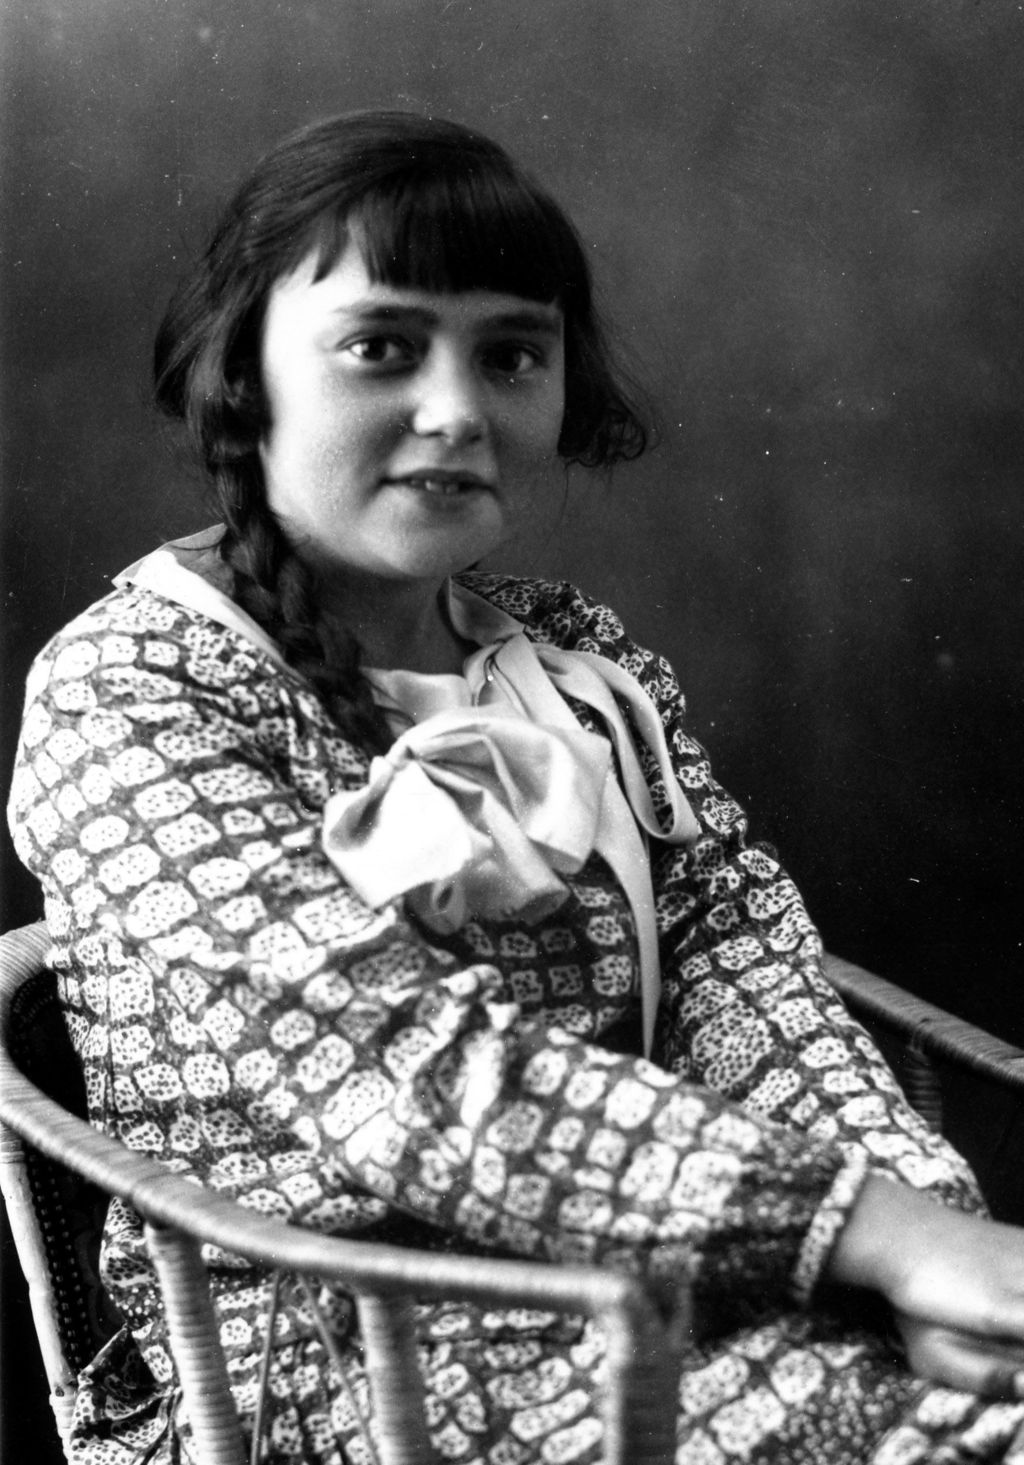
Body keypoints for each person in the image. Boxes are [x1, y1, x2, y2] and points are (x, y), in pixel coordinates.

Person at [8, 110, 1024, 1465]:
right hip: (337, 1356)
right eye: (381, 346)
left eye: (511, 354)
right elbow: (407, 1078)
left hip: (676, 1276)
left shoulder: (585, 664)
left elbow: (751, 981)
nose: (459, 410)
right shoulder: (131, 684)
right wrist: (871, 1236)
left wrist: (938, 1250)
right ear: (243, 374)